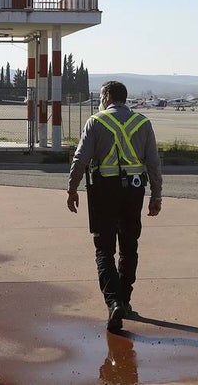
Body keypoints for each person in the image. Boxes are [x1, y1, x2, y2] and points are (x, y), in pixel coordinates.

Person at [66, 80, 163, 332]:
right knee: (129, 247)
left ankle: (113, 302)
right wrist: (156, 196)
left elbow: (81, 159)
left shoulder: (96, 122)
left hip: (103, 192)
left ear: (107, 96)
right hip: (134, 191)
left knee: (104, 249)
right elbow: (153, 163)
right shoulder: (143, 123)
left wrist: (72, 188)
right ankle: (125, 300)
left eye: (100, 96)